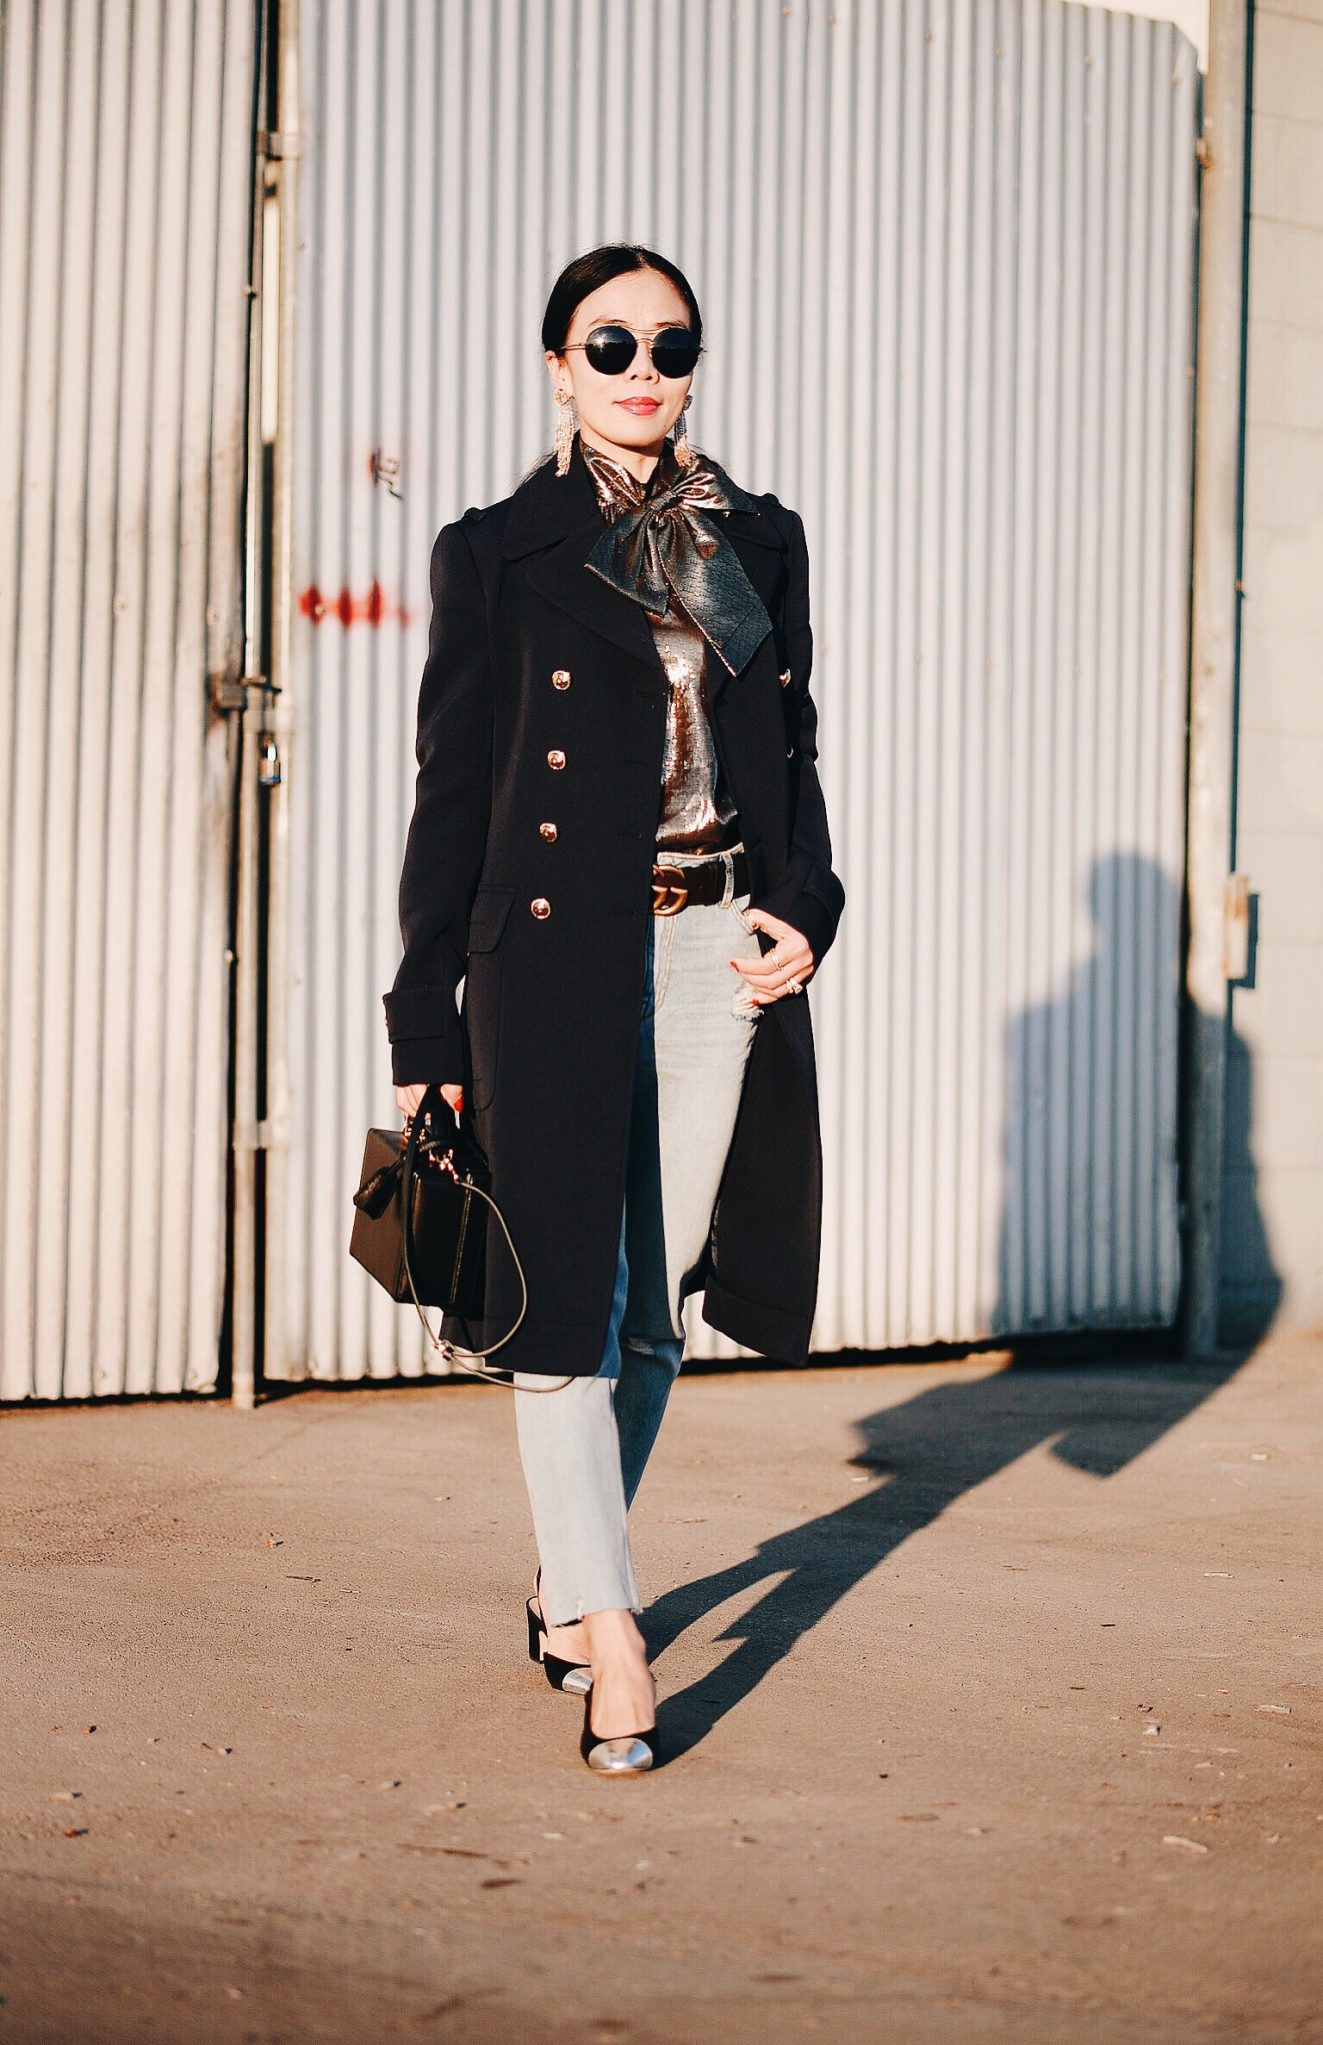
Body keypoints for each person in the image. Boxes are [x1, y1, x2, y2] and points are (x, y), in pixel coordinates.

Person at [385, 244, 844, 1774]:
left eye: (670, 342)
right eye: (611, 341)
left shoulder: (750, 539)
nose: (644, 368)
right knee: (562, 1302)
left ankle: (563, 1585)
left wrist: (809, 909)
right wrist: (423, 1030)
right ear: (557, 363)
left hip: (715, 949)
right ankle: (621, 1640)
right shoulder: (498, 553)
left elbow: (790, 756)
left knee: (654, 1315)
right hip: (554, 963)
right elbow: (453, 798)